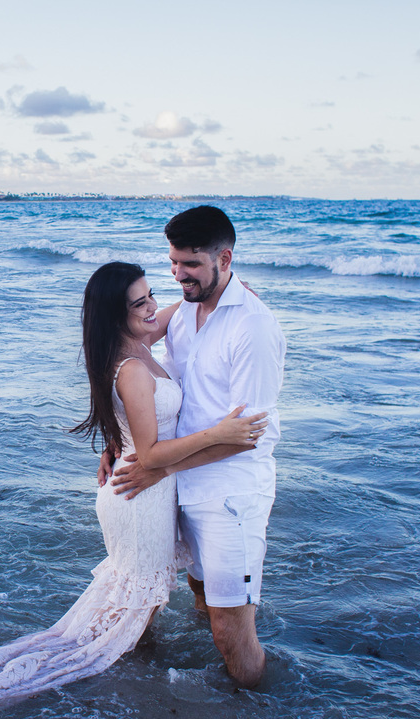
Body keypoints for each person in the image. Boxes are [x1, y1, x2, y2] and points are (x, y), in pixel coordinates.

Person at [0, 261, 267, 707]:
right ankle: (107, 687)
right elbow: (150, 455)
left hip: (143, 491)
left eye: (151, 295)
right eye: (139, 303)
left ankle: (127, 671)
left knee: (135, 602)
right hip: (140, 495)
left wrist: (228, 290)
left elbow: (178, 309)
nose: (151, 307)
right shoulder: (131, 366)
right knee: (134, 605)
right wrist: (219, 434)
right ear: (117, 315)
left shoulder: (138, 341)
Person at [103, 206, 285, 688]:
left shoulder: (252, 327)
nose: (178, 274)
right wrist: (116, 437)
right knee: (201, 597)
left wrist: (158, 468)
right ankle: (211, 717)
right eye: (173, 262)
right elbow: (127, 354)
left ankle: (261, 714)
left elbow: (248, 435)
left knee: (229, 631)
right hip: (180, 484)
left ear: (224, 259)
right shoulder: (184, 312)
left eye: (191, 264)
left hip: (230, 493)